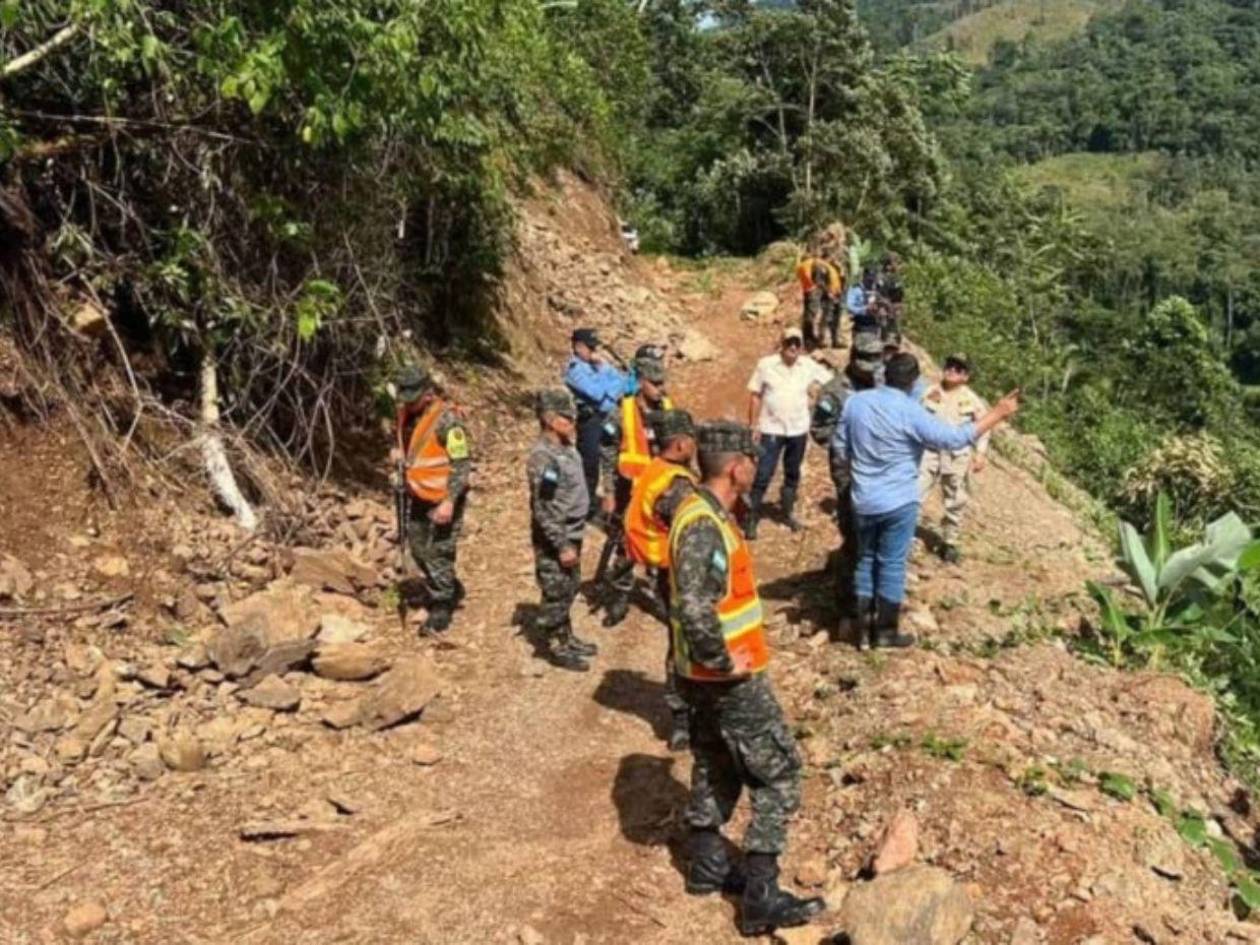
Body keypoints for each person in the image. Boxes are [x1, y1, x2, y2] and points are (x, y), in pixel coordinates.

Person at [670, 420, 824, 937]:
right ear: (736, 467)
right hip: (727, 678)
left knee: (717, 762)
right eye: (752, 461)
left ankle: (708, 864)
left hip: (701, 675)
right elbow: (695, 605)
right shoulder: (703, 525)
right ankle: (761, 894)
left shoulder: (704, 512)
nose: (757, 468)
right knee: (779, 773)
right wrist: (721, 660)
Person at [833, 354, 1019, 649]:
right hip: (899, 502)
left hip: (863, 498)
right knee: (892, 564)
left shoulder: (855, 402)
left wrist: (864, 466)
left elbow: (839, 445)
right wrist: (998, 413)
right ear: (912, 382)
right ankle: (885, 632)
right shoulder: (912, 412)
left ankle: (863, 632)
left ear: (885, 375)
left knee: (865, 559)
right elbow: (953, 439)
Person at [625, 409, 699, 750]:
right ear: (681, 444)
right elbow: (694, 534)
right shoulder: (676, 485)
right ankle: (685, 718)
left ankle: (683, 716)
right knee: (687, 644)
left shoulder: (655, 470)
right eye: (692, 441)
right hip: (679, 574)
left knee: (679, 640)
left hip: (664, 570)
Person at [808, 335, 883, 624]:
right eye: (867, 360)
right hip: (848, 472)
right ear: (853, 358)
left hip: (878, 470)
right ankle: (845, 602)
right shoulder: (835, 391)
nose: (872, 368)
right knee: (853, 533)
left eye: (876, 360)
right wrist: (848, 442)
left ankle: (872, 594)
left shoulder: (881, 384)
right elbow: (820, 430)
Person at [394, 365, 472, 634]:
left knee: (440, 551)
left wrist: (450, 501)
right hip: (418, 494)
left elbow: (461, 464)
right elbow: (410, 446)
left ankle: (442, 605)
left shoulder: (449, 421)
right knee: (418, 548)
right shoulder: (406, 414)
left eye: (413, 398)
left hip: (444, 498)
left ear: (428, 395)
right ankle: (446, 584)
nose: (408, 403)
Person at [526, 389, 599, 672]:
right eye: (566, 417)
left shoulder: (566, 447)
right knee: (556, 590)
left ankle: (566, 636)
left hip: (573, 531)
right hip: (556, 536)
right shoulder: (543, 458)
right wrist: (561, 545)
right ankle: (555, 645)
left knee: (570, 585)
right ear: (549, 419)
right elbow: (543, 508)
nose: (572, 422)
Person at [598, 353, 673, 626]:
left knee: (663, 544)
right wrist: (608, 491)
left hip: (661, 492)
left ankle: (663, 598)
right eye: (655, 383)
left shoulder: (668, 408)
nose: (661, 389)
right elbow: (607, 453)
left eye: (663, 382)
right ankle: (620, 598)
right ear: (641, 382)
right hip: (628, 491)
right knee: (625, 545)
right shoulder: (621, 412)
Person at [744, 327, 832, 539]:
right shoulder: (766, 365)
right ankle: (751, 517)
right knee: (764, 473)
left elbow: (831, 382)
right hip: (771, 428)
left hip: (798, 429)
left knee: (792, 473)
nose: (793, 347)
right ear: (781, 344)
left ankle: (787, 512)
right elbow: (755, 395)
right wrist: (753, 425)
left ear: (801, 347)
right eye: (789, 342)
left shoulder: (808, 366)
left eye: (797, 343)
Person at [918, 354, 991, 564]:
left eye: (958, 369)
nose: (951, 371)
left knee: (956, 500)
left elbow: (984, 427)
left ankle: (949, 542)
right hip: (928, 452)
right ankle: (905, 533)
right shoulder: (928, 392)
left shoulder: (972, 400)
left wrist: (980, 453)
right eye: (949, 366)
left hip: (956, 457)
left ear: (966, 376)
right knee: (914, 492)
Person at [564, 328, 625, 515]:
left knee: (612, 457)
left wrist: (604, 371)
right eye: (590, 348)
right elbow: (596, 393)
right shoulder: (575, 370)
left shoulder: (597, 365)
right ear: (578, 347)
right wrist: (610, 386)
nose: (593, 352)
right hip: (590, 420)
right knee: (589, 464)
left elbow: (622, 382)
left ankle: (612, 500)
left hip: (607, 417)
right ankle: (585, 506)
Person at [794, 255, 843, 350]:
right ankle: (813, 340)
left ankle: (825, 340)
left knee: (818, 315)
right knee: (816, 315)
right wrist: (827, 292)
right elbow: (819, 282)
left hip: (820, 292)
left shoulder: (808, 265)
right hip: (823, 292)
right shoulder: (820, 264)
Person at [845, 267, 879, 339]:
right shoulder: (855, 289)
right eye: (869, 279)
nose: (871, 282)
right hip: (860, 325)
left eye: (873, 279)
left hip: (874, 326)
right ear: (864, 277)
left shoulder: (876, 290)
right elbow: (850, 307)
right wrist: (865, 309)